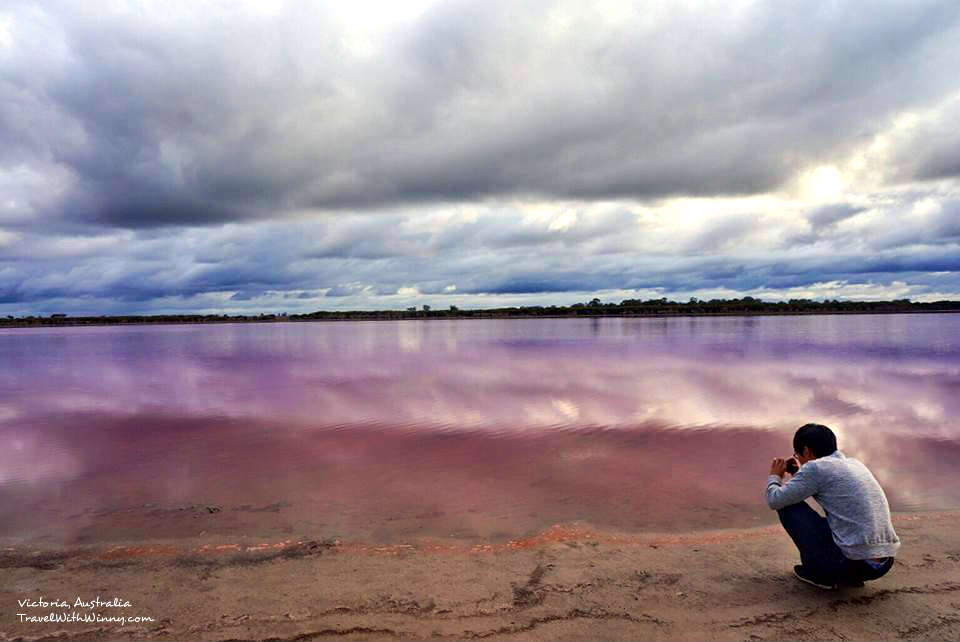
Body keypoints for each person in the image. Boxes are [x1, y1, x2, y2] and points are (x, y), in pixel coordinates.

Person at [766, 423, 900, 590]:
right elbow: (833, 496)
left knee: (787, 506)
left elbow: (774, 499)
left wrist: (775, 477)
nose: (798, 458)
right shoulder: (855, 464)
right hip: (884, 563)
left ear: (806, 451)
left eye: (797, 454)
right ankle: (847, 575)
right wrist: (798, 475)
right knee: (830, 517)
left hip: (852, 564)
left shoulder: (816, 468)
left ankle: (819, 574)